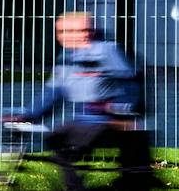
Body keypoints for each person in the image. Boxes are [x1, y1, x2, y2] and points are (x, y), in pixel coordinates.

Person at [9, 11, 154, 191]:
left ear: (86, 31)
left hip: (107, 121)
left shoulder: (106, 51)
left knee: (65, 141)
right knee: (54, 138)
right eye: (60, 32)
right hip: (85, 121)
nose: (63, 37)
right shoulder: (67, 57)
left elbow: (130, 84)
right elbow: (53, 92)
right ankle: (75, 186)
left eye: (69, 31)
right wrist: (26, 115)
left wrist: (117, 108)